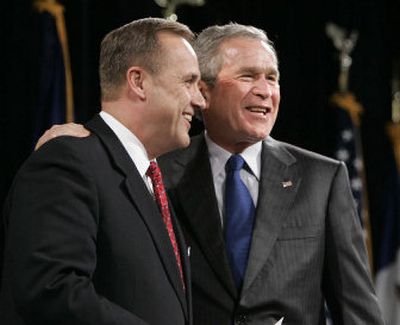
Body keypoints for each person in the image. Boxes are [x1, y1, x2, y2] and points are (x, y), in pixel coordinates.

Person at [32, 23, 384, 324]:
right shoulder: (156, 172)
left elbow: (356, 309)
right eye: (247, 76)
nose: (265, 90)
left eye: (272, 78)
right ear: (204, 91)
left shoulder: (322, 178)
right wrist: (89, 139)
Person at [0, 17, 205, 325]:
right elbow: (52, 290)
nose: (200, 100)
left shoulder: (150, 178)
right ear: (138, 81)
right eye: (188, 82)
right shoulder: (68, 162)